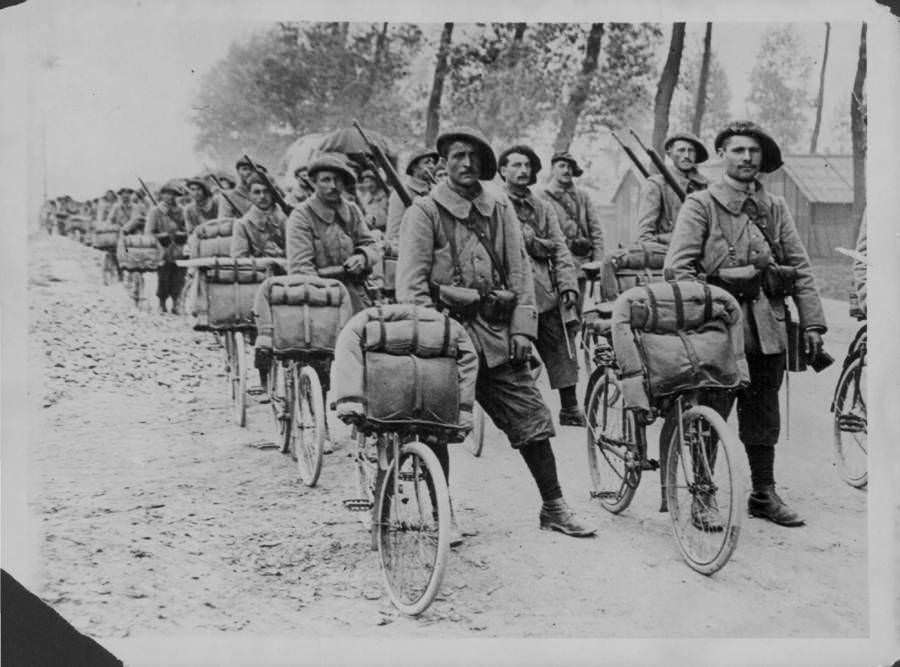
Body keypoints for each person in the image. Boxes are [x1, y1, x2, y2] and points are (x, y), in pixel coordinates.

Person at [396, 127, 596, 540]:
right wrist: (432, 335)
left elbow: (521, 274)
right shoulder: (425, 212)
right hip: (445, 336)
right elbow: (412, 287)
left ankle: (554, 506)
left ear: (485, 165)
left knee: (531, 418)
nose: (465, 164)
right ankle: (441, 513)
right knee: (435, 424)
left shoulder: (500, 209)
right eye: (456, 156)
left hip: (496, 332)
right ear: (442, 163)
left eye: (474, 157)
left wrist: (523, 330)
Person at [664, 120, 827, 528]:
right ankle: (702, 494)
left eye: (753, 152)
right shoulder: (701, 204)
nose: (747, 158)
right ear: (722, 155)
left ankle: (763, 493)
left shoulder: (775, 207)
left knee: (763, 413)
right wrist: (720, 287)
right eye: (738, 150)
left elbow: (800, 267)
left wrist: (813, 324)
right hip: (717, 329)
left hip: (767, 329)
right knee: (710, 409)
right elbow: (677, 270)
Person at [499, 144, 584, 426]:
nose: (523, 171)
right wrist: (536, 244)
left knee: (561, 344)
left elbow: (559, 248)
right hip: (508, 289)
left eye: (527, 166)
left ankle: (570, 408)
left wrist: (568, 285)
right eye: (516, 165)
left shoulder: (543, 207)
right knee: (509, 353)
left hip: (544, 289)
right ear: (502, 171)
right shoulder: (495, 205)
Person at [286, 153, 381, 314]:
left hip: (355, 292)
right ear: (314, 183)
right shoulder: (301, 215)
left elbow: (371, 245)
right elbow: (301, 269)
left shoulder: (352, 210)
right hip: (318, 298)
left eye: (338, 180)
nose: (333, 186)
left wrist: (362, 257)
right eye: (326, 180)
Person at [538, 152, 606, 305]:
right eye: (561, 166)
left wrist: (598, 262)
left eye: (569, 167)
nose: (566, 170)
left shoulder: (582, 196)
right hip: (555, 266)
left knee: (579, 310)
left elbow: (596, 231)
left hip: (581, 264)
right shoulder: (541, 196)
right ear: (552, 169)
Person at [636, 132, 710, 245]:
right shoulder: (656, 185)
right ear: (670, 153)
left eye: (691, 151)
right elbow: (644, 237)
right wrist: (670, 238)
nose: (686, 155)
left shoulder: (707, 187)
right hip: (668, 254)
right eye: (681, 150)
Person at [144, 180, 189, 315]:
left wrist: (183, 234)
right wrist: (160, 238)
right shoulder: (155, 211)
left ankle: (176, 303)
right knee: (163, 277)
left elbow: (189, 228)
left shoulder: (182, 211)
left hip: (179, 249)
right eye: (167, 194)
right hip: (162, 250)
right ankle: (162, 304)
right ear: (162, 195)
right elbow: (149, 232)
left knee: (179, 278)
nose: (170, 197)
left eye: (174, 194)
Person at [384, 148, 439, 257]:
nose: (432, 166)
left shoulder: (436, 191)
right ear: (414, 167)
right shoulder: (401, 193)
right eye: (427, 162)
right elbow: (394, 234)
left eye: (433, 162)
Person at [356, 168, 389, 234]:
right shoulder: (365, 198)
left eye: (371, 181)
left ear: (377, 182)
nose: (369, 185)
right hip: (372, 231)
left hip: (387, 230)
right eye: (366, 182)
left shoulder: (385, 195)